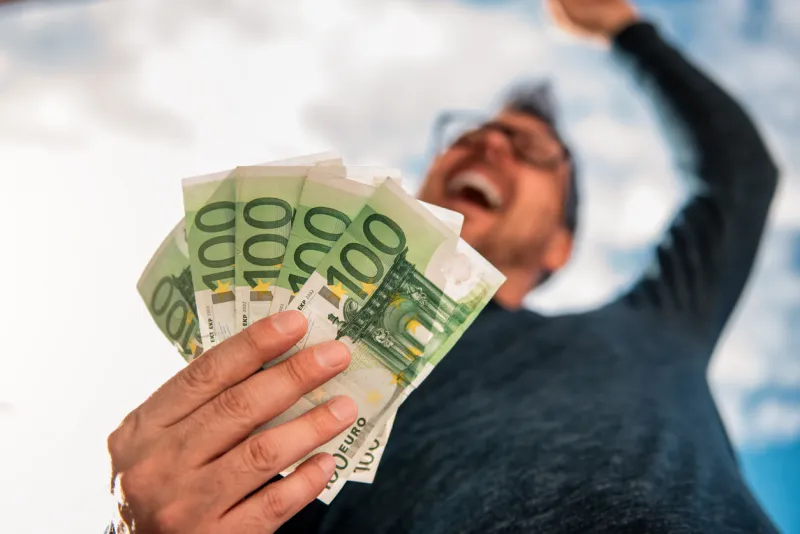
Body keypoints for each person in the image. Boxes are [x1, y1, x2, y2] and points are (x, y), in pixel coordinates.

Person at [107, 0, 781, 532]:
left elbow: (739, 177)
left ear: (559, 247)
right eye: (469, 136)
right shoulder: (295, 388)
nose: (488, 144)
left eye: (529, 148)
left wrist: (626, 31)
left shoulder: (654, 325)